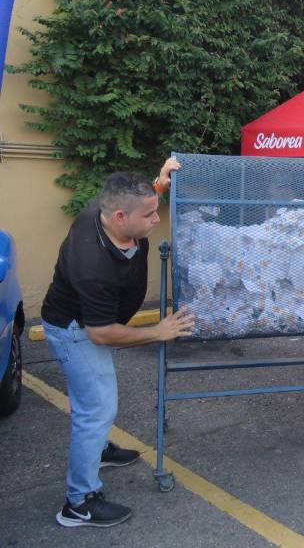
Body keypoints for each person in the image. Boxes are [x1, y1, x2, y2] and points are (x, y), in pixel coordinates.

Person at [41, 158, 195, 528]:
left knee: (94, 403)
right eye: (150, 215)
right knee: (95, 410)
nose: (156, 220)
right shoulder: (93, 264)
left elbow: (137, 201)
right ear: (121, 217)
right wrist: (157, 331)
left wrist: (158, 185)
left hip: (91, 324)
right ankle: (78, 503)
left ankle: (98, 451)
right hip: (76, 331)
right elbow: (101, 333)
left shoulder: (107, 212)